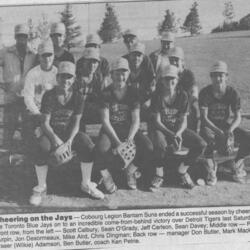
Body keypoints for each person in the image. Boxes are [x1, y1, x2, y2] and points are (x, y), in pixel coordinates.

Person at [29, 61, 104, 206]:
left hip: (70, 134)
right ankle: (41, 187)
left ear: (74, 79)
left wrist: (69, 141)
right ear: (57, 78)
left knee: (87, 144)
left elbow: (76, 123)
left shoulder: (78, 97)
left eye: (69, 77)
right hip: (52, 133)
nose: (65, 80)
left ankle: (86, 183)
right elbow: (44, 123)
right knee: (41, 147)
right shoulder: (49, 95)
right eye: (62, 76)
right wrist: (56, 140)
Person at [94, 58, 153, 192]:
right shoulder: (106, 93)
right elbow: (105, 121)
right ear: (111, 74)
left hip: (128, 130)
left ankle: (130, 171)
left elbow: (136, 120)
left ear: (128, 74)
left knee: (148, 147)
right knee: (100, 149)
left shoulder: (133, 92)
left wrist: (130, 139)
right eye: (117, 73)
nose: (120, 77)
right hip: (111, 130)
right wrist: (117, 142)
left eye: (124, 73)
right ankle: (106, 175)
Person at [149, 65, 207, 189]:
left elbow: (183, 120)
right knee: (160, 145)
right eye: (167, 78)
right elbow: (157, 122)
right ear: (162, 80)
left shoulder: (183, 95)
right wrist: (171, 134)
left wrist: (179, 133)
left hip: (177, 130)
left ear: (177, 79)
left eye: (173, 78)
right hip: (161, 129)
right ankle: (159, 175)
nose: (170, 81)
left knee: (201, 144)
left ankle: (182, 171)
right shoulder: (157, 95)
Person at [199, 61, 250, 185]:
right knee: (208, 139)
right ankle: (211, 168)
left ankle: (236, 163)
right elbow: (204, 118)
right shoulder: (205, 92)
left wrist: (230, 130)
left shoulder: (232, 93)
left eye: (221, 75)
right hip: (209, 126)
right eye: (215, 75)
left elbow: (238, 117)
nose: (218, 78)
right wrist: (220, 132)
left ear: (227, 76)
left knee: (248, 137)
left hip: (225, 126)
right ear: (211, 77)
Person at [0, 24, 37, 150]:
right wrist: (2, 83)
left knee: (28, 131)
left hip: (27, 99)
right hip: (11, 98)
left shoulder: (33, 54)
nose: (22, 39)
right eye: (19, 36)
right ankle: (5, 162)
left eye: (24, 36)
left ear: (28, 38)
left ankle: (27, 161)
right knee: (8, 131)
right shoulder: (5, 52)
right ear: (15, 37)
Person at [23, 39, 57, 155]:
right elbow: (28, 98)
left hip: (52, 112)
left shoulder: (57, 73)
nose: (47, 59)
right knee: (34, 139)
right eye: (44, 56)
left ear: (54, 56)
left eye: (50, 55)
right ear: (39, 57)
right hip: (36, 112)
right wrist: (38, 114)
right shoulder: (33, 73)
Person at [168, 47, 200, 132]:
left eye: (176, 60)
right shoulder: (167, 73)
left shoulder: (188, 74)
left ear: (182, 62)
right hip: (170, 105)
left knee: (193, 110)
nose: (173, 63)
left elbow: (194, 93)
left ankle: (192, 133)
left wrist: (186, 107)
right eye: (171, 60)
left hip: (185, 104)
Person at [125, 42, 156, 121]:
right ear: (129, 55)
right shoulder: (124, 64)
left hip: (143, 97)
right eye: (133, 55)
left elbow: (153, 86)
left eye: (139, 55)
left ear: (143, 57)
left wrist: (150, 101)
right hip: (128, 97)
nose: (136, 58)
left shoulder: (147, 65)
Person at [75, 47, 104, 130]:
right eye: (89, 62)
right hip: (77, 111)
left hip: (91, 110)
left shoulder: (98, 77)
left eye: (95, 62)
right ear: (83, 62)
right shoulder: (76, 77)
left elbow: (101, 98)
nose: (92, 65)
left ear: (98, 64)